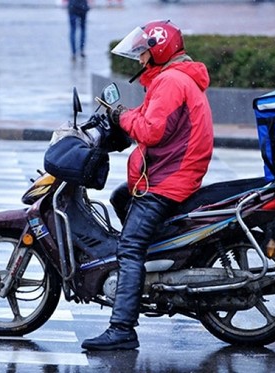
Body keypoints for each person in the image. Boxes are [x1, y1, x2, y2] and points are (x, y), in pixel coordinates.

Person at [81, 20, 214, 351]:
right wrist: (123, 119)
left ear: (159, 52)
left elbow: (152, 130)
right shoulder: (175, 79)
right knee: (120, 197)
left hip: (168, 181)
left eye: (142, 54)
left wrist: (121, 116)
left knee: (129, 247)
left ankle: (122, 328)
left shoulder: (171, 81)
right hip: (170, 174)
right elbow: (150, 118)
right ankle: (150, 265)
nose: (139, 61)